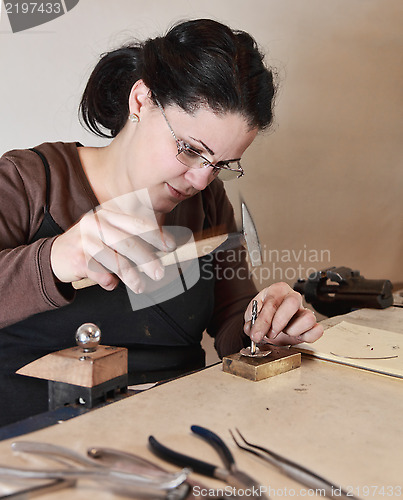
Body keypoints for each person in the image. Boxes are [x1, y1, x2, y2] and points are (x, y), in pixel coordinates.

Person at [0, 19, 323, 427]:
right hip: (35, 448)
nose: (201, 179)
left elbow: (232, 321)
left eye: (222, 164)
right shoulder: (28, 182)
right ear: (141, 100)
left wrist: (267, 327)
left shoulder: (207, 202)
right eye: (189, 150)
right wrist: (54, 259)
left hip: (176, 432)